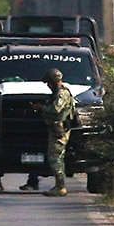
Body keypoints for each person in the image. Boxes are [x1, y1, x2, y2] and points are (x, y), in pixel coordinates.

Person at [34, 67, 74, 196]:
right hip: (54, 128)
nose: (48, 86)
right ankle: (59, 185)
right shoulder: (57, 93)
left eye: (49, 83)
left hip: (59, 130)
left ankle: (60, 187)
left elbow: (56, 109)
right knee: (56, 157)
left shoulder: (62, 93)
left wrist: (42, 108)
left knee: (55, 157)